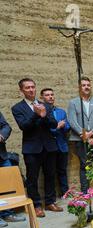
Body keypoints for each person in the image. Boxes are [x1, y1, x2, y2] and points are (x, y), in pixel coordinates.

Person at [11, 78, 63, 217]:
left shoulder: (46, 105)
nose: (31, 89)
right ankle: (37, 205)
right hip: (32, 148)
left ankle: (50, 202)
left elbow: (53, 124)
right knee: (32, 178)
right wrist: (36, 114)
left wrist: (44, 115)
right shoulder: (17, 108)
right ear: (21, 90)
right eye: (27, 87)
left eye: (33, 87)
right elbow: (24, 126)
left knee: (50, 175)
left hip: (49, 147)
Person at [67, 76, 93, 194]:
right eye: (83, 85)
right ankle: (85, 192)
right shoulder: (73, 103)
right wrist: (85, 136)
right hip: (80, 139)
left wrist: (91, 133)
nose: (86, 87)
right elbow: (72, 121)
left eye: (88, 85)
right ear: (79, 87)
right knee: (84, 165)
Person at [40, 88, 70, 197]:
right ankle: (51, 198)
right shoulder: (41, 113)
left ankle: (65, 193)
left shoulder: (61, 111)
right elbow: (46, 129)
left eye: (52, 94)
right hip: (48, 147)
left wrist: (62, 126)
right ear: (42, 98)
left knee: (62, 170)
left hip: (62, 145)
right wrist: (57, 126)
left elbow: (67, 126)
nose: (50, 97)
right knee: (50, 173)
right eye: (47, 95)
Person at [0, 111, 26, 227]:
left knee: (8, 184)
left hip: (2, 156)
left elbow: (6, 126)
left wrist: (1, 135)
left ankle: (7, 213)